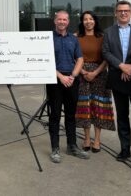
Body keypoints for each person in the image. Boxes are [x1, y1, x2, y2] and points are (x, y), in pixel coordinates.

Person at [102, 0, 131, 164]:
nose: (123, 13)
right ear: (115, 13)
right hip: (117, 78)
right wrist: (122, 67)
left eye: (126, 10)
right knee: (122, 115)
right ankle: (125, 149)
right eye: (120, 11)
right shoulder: (108, 32)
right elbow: (106, 52)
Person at [46, 10, 89, 163]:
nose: (62, 22)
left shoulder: (73, 39)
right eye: (59, 19)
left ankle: (72, 146)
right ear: (55, 21)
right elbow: (45, 61)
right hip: (55, 80)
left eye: (65, 20)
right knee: (55, 115)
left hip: (72, 80)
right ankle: (55, 148)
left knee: (71, 115)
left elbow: (79, 59)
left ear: (68, 22)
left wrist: (72, 76)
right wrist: (61, 77)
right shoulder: (47, 38)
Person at [75, 11, 115, 153]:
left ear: (95, 21)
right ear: (82, 22)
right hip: (82, 73)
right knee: (85, 106)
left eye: (91, 19)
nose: (88, 21)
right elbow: (73, 56)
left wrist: (95, 72)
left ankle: (97, 139)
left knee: (98, 106)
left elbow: (107, 57)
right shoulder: (76, 37)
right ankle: (86, 138)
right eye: (85, 19)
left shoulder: (103, 37)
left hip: (100, 73)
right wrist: (84, 72)